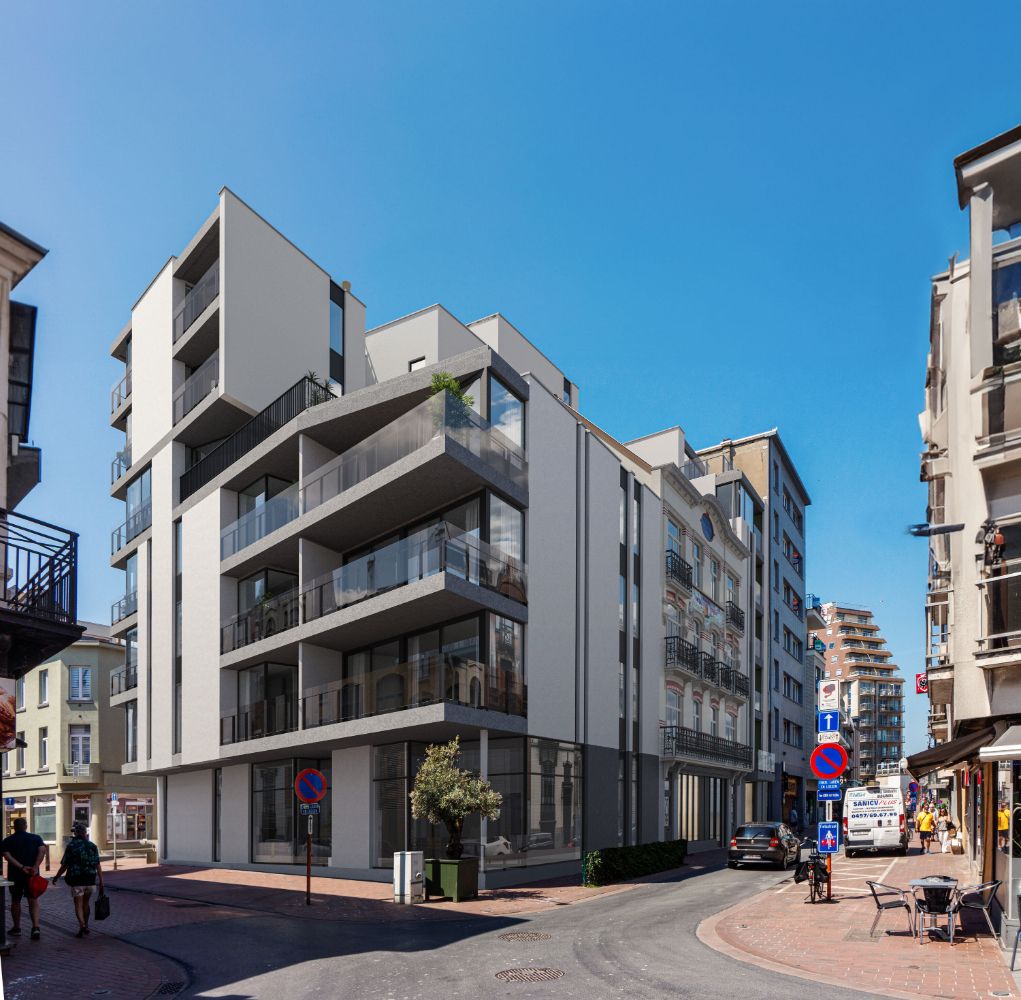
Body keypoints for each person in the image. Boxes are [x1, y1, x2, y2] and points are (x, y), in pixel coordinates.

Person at [51, 822, 104, 938]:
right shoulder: (92, 846)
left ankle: (82, 925)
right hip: (90, 879)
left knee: (78, 904)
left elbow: (64, 865)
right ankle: (85, 926)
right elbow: (98, 865)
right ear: (85, 833)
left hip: (77, 880)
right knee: (86, 903)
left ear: (75, 833)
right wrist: (101, 881)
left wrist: (56, 877)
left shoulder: (71, 846)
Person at [2, 818, 46, 941]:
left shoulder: (8, 840)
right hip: (32, 875)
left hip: (15, 875)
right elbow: (42, 850)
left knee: (16, 900)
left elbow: (7, 856)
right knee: (33, 900)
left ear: (14, 827)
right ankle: (35, 927)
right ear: (26, 826)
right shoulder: (36, 838)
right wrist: (35, 867)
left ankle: (17, 928)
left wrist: (21, 867)